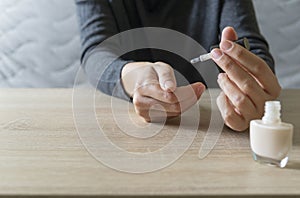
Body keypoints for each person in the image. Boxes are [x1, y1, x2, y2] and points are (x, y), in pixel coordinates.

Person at [75, 0, 281, 131]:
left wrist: (252, 87)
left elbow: (250, 46)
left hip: (216, 129)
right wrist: (132, 76)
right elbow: (96, 51)